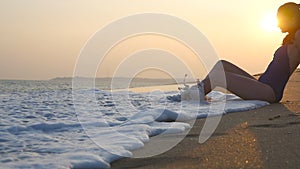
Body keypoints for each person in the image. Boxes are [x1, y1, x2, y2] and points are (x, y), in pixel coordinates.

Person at [200, 2, 300, 103]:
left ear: (292, 18)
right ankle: (195, 93)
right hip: (263, 85)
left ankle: (191, 97)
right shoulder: (292, 37)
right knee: (222, 64)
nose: (278, 24)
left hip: (270, 91)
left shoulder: (298, 34)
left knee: (218, 76)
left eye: (280, 20)